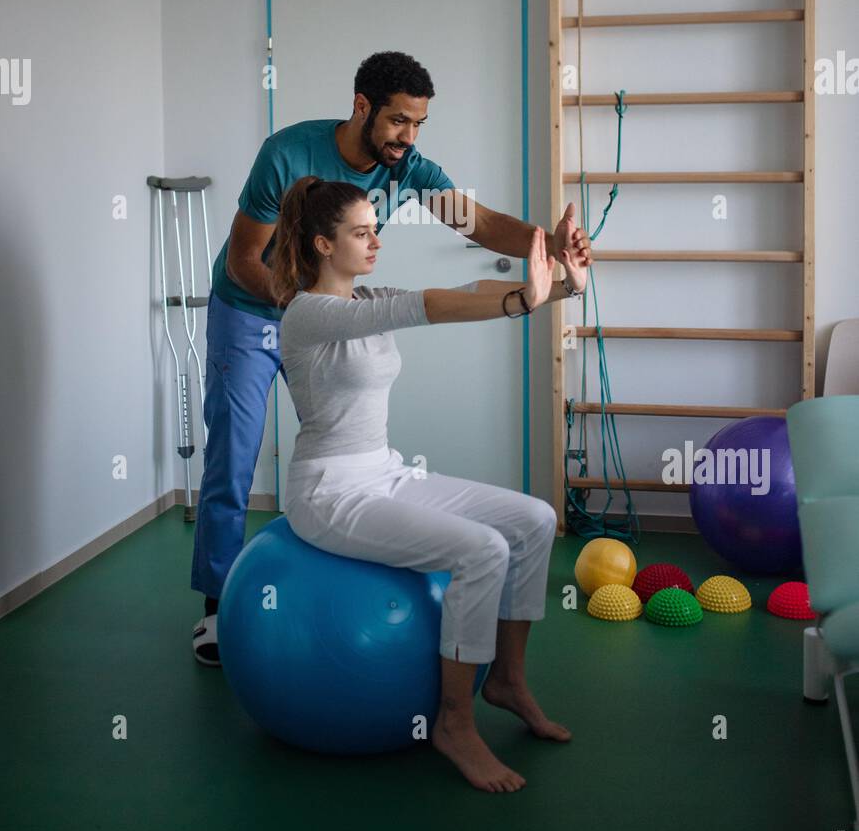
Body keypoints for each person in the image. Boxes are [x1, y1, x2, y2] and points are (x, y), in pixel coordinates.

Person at [191, 50, 586, 666]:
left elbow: (476, 224)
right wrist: (301, 312)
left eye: (419, 123)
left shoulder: (409, 168)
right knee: (234, 455)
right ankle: (216, 609)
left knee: (344, 426)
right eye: (399, 120)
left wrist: (549, 244)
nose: (409, 136)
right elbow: (246, 256)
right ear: (361, 107)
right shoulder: (285, 153)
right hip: (250, 307)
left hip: (319, 308)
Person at [271, 174, 592, 793]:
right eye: (360, 233)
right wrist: (527, 300)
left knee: (533, 519)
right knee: (482, 550)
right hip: (329, 492)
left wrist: (561, 286)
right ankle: (454, 723)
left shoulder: (367, 299)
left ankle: (507, 679)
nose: (375, 243)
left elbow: (468, 289)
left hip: (384, 471)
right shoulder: (307, 314)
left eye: (375, 230)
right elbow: (432, 305)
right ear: (319, 245)